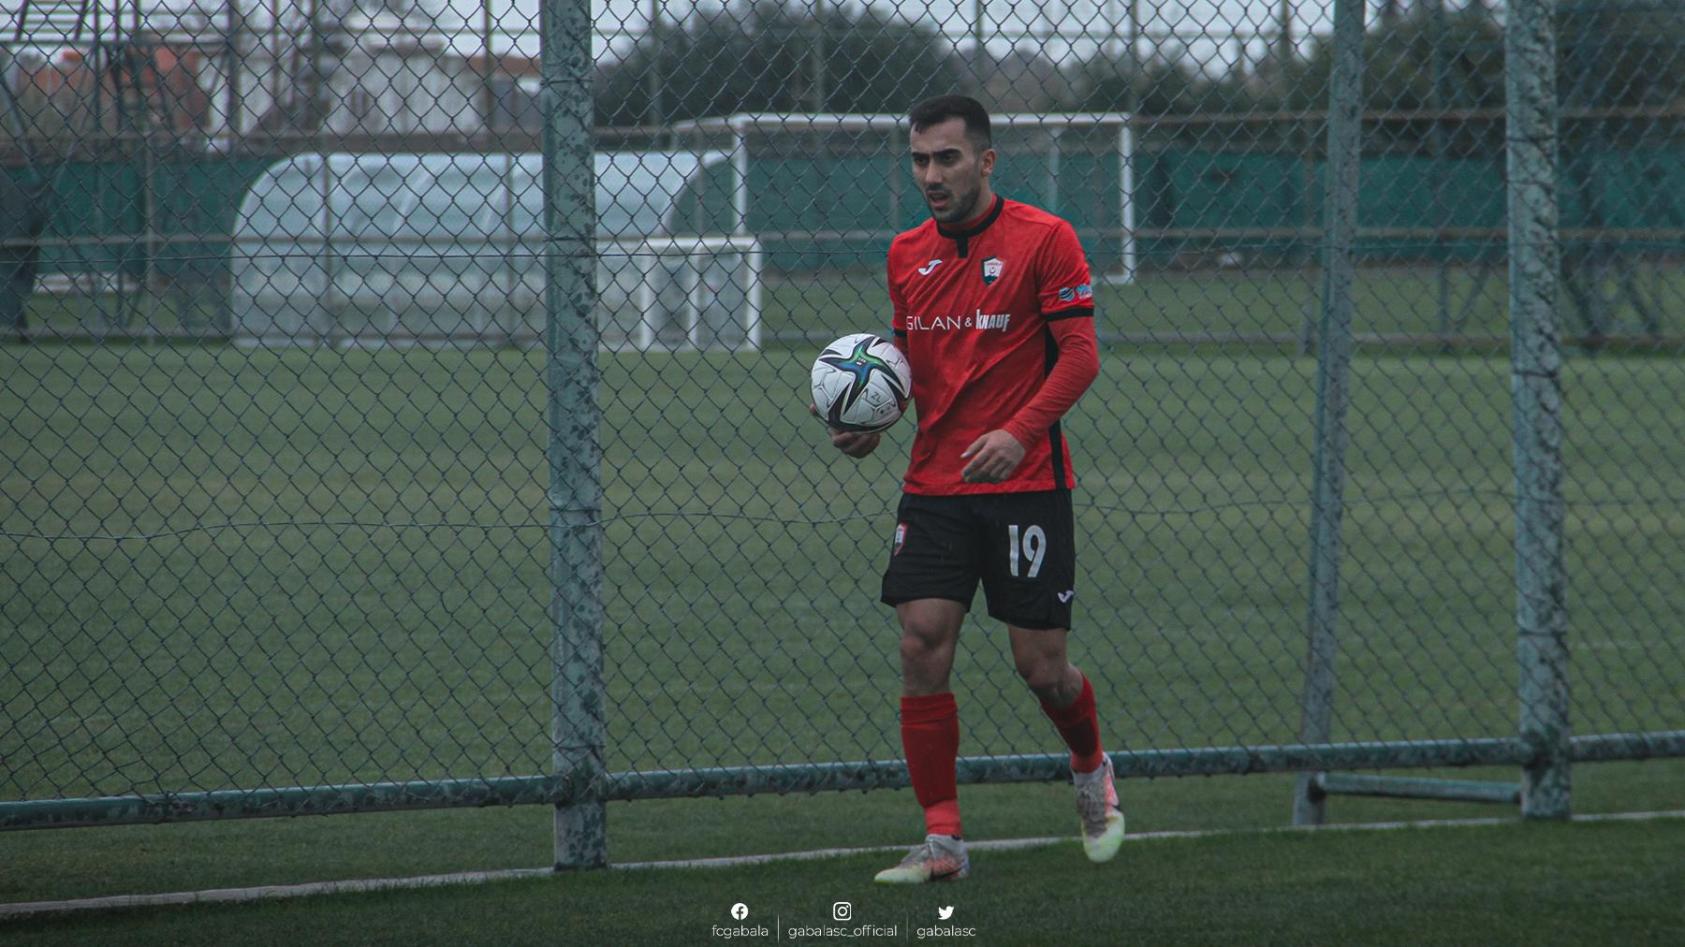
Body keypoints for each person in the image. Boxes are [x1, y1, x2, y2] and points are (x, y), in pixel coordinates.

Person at [824, 94, 1120, 883]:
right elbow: (910, 368)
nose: (931, 174)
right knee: (920, 642)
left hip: (1027, 482)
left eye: (946, 158)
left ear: (985, 161)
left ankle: (1089, 764)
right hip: (935, 484)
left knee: (1042, 668)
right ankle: (943, 841)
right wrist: (874, 421)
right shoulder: (904, 253)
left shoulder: (1045, 238)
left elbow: (1080, 356)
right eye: (919, 159)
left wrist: (1018, 431)